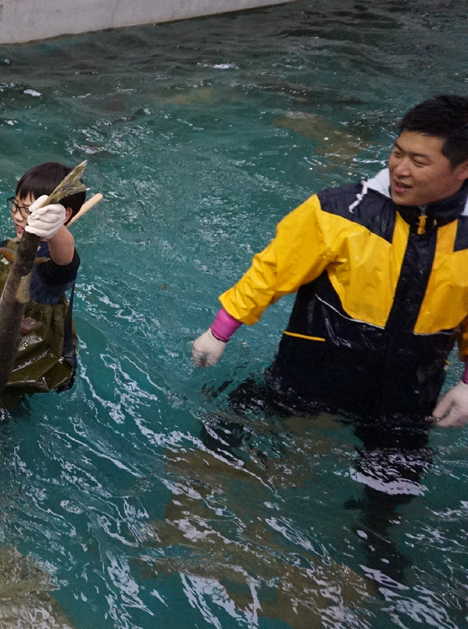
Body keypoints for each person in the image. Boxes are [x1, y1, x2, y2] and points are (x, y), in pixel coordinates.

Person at [190, 95, 468, 431]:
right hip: (305, 381)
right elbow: (273, 270)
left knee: (394, 481)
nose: (400, 169)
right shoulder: (339, 211)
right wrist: (219, 333)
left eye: (419, 162)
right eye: (397, 153)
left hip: (404, 403)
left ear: (463, 169)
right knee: (218, 453)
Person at [0, 161, 85, 394]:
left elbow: (66, 256)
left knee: (7, 388)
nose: (19, 217)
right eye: (17, 206)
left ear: (62, 216)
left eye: (29, 211)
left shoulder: (55, 268)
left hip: (27, 343)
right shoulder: (15, 245)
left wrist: (56, 229)